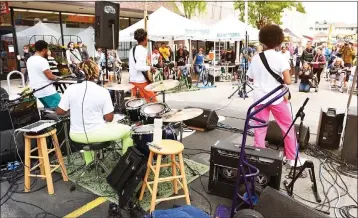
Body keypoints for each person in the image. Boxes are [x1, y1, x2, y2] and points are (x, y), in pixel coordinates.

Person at [246, 24, 306, 167]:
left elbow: (250, 77)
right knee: (287, 127)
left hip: (259, 98)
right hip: (276, 98)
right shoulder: (280, 58)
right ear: (279, 40)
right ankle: (292, 158)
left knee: (260, 129)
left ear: (263, 40)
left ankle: (259, 155)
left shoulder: (256, 58)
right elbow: (288, 80)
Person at [56, 60, 133, 158]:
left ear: (78, 73)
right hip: (96, 133)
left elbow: (60, 112)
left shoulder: (70, 89)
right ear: (97, 73)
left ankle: (90, 163)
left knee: (89, 135)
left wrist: (77, 109)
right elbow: (109, 118)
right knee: (128, 130)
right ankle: (125, 163)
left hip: (75, 134)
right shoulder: (102, 91)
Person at [26, 40, 61, 108]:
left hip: (36, 91)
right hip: (46, 91)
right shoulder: (42, 60)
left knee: (49, 111)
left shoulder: (29, 59)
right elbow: (50, 76)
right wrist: (59, 77)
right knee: (61, 109)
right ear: (44, 49)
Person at [128, 28, 157, 102]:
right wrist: (150, 68)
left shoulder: (132, 49)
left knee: (138, 103)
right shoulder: (142, 50)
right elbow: (138, 67)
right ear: (145, 38)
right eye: (147, 37)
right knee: (153, 102)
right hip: (140, 82)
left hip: (133, 81)